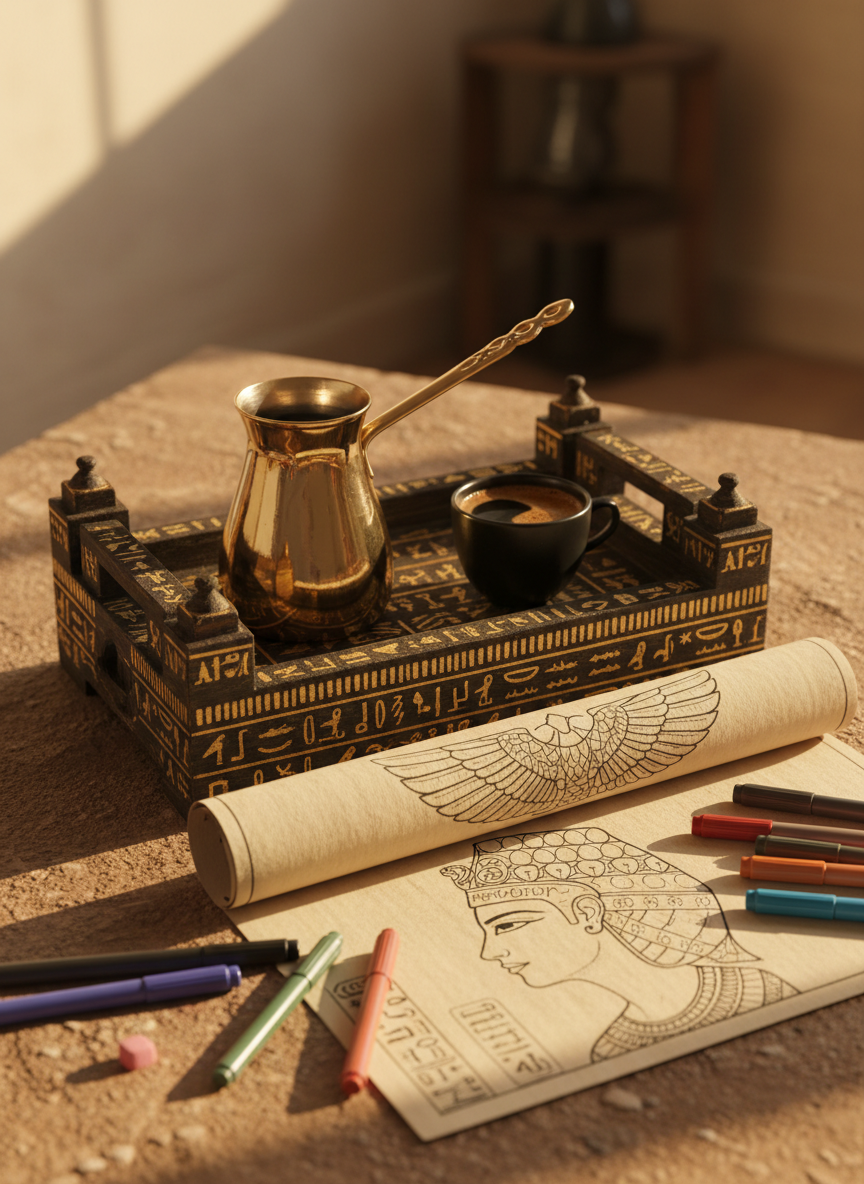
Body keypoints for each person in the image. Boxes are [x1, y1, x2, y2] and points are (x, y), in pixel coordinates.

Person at [442, 826, 796, 1061]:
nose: (490, 952)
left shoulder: (761, 995)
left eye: (507, 925)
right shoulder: (612, 1050)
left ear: (588, 913)